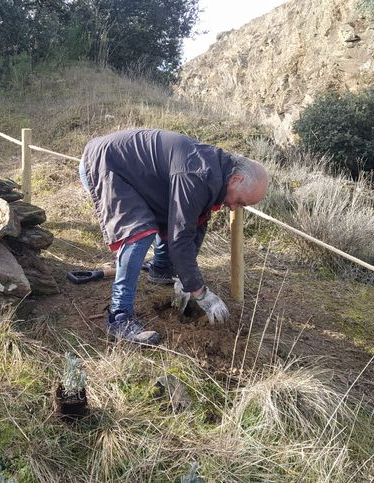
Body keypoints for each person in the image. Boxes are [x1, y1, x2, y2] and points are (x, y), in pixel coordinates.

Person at [79, 128, 269, 345]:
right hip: (106, 163)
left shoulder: (214, 174)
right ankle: (119, 317)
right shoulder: (197, 174)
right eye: (240, 201)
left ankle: (161, 270)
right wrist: (202, 293)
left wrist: (184, 277)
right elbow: (180, 238)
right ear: (236, 179)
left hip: (132, 171)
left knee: (167, 216)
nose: (235, 207)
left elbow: (193, 225)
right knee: (138, 231)